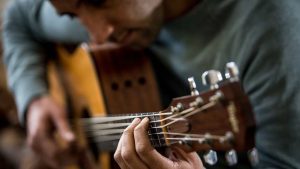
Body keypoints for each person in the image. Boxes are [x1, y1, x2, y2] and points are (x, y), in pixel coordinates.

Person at [2, 0, 300, 168]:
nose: (98, 35)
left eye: (100, 0)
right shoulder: (88, 10)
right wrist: (33, 98)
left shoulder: (276, 37)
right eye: (72, 14)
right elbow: (17, 20)